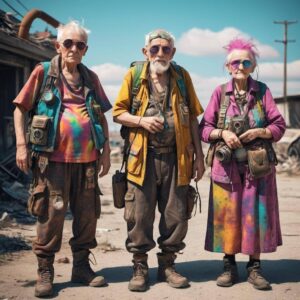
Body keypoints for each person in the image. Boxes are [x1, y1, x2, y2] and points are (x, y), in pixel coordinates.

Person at [13, 21, 111, 297]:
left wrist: (104, 152)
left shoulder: (91, 78)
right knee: (51, 215)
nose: (73, 49)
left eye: (80, 45)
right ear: (58, 45)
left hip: (88, 162)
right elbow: (20, 109)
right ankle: (45, 271)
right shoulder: (43, 73)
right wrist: (21, 145)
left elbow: (101, 115)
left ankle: (81, 267)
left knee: (87, 214)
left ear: (86, 49)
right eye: (68, 43)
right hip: (51, 162)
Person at [113, 29, 205, 292]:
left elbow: (193, 119)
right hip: (142, 159)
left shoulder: (182, 77)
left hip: (177, 158)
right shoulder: (134, 76)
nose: (160, 53)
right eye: (155, 49)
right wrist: (141, 120)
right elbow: (118, 113)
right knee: (139, 216)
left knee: (176, 215)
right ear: (146, 52)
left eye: (166, 49)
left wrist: (199, 157)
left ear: (173, 52)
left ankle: (167, 266)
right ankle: (140, 267)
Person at [199, 38, 286, 290]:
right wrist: (222, 134)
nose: (240, 65)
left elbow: (279, 125)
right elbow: (204, 128)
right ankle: (229, 266)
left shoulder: (262, 91)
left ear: (253, 65)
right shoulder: (219, 92)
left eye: (246, 61)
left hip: (257, 169)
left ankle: (254, 268)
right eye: (235, 61)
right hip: (225, 168)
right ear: (227, 66)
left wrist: (259, 132)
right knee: (228, 218)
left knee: (254, 217)